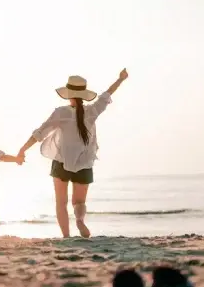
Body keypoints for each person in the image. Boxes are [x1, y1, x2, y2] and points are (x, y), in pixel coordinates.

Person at [17, 69, 129, 238]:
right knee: (79, 202)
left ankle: (66, 236)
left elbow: (40, 133)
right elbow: (107, 94)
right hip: (84, 162)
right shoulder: (92, 111)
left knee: (61, 203)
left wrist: (22, 150)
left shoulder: (61, 113)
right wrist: (120, 79)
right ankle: (79, 220)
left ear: (68, 94)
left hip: (61, 161)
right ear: (83, 95)